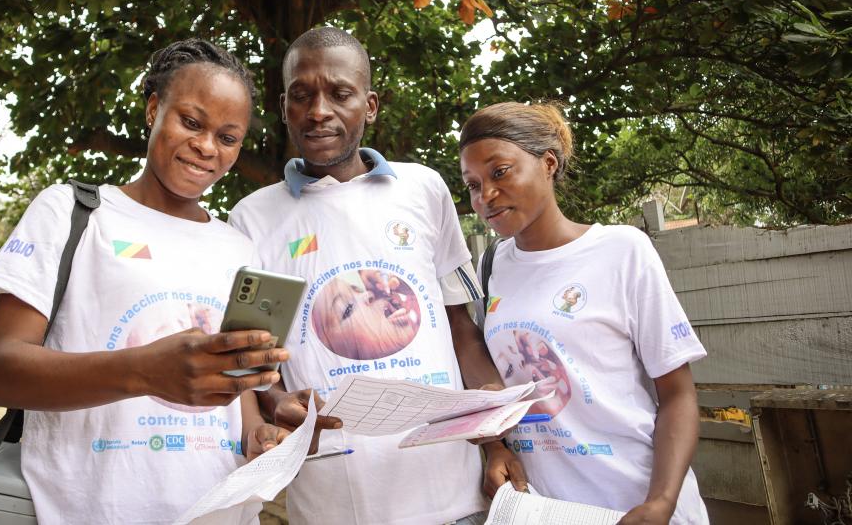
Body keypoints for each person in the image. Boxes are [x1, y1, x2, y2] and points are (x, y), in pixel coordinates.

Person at [0, 39, 291, 525]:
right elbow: (0, 371)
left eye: (227, 138)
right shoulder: (73, 212)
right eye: (191, 122)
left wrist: (257, 435)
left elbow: (238, 392)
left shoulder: (239, 249)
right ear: (152, 110)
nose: (207, 147)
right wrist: (144, 370)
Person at [229, 27, 517, 525]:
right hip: (332, 508)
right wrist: (277, 403)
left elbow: (459, 330)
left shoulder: (423, 190)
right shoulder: (254, 219)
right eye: (302, 95)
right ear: (284, 108)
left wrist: (496, 443)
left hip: (454, 501)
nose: (319, 110)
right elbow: (251, 362)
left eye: (340, 93)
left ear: (371, 104)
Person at [458, 102, 709, 524]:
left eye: (500, 172)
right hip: (548, 508)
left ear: (548, 163)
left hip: (638, 502)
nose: (486, 196)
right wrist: (495, 447)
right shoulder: (491, 267)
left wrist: (661, 502)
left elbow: (679, 395)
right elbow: (500, 389)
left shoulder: (621, 250)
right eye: (473, 185)